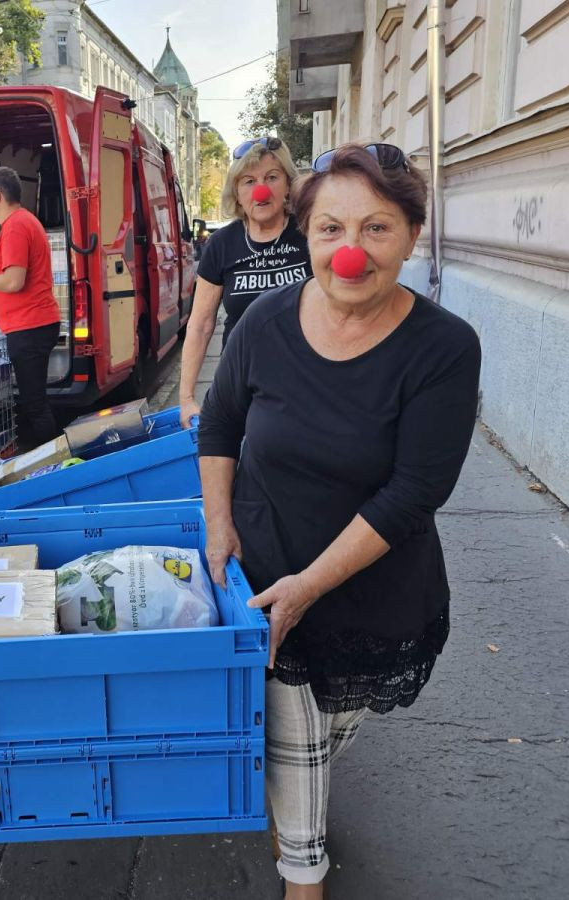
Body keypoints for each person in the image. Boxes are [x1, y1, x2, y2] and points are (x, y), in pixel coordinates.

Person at [197, 144, 481, 899]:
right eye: (329, 229)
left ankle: (302, 785)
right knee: (295, 732)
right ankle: (304, 876)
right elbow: (220, 425)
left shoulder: (445, 348)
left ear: (412, 235)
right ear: (306, 235)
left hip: (371, 592)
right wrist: (219, 526)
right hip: (266, 572)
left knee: (323, 732)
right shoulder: (261, 322)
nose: (349, 253)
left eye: (376, 229)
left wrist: (310, 585)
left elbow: (414, 491)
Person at [179, 137, 312, 428]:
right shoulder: (221, 244)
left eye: (272, 177)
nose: (260, 190)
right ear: (237, 193)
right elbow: (201, 323)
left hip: (308, 381)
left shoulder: (310, 235)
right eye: (249, 181)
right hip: (242, 381)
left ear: (288, 185)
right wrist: (187, 397)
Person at [0, 166, 62, 452]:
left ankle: (54, 464)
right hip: (31, 324)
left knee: (34, 404)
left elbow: (13, 281)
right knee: (34, 400)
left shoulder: (16, 227)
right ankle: (51, 459)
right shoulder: (22, 223)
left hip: (30, 326)